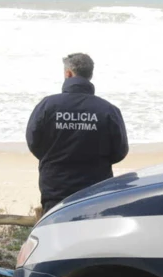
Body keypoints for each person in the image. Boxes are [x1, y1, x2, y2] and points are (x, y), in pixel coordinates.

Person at [26, 53, 129, 212]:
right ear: (90, 75)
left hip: (56, 188)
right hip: (97, 188)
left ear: (68, 73)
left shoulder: (47, 106)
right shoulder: (107, 110)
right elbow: (120, 150)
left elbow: (34, 141)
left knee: (57, 226)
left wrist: (54, 158)